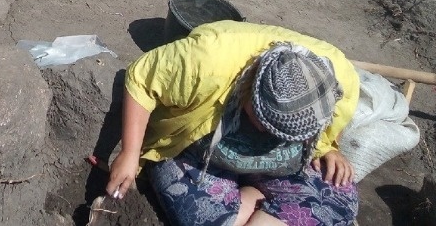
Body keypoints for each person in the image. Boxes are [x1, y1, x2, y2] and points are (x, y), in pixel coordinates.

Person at [107, 20, 360, 226]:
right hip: (195, 149)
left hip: (280, 164)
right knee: (201, 216)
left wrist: (327, 147)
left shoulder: (336, 76)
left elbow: (332, 121)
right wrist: (129, 153)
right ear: (251, 89)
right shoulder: (207, 60)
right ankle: (262, 201)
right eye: (264, 124)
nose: (268, 137)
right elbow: (141, 79)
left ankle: (258, 200)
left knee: (339, 200)